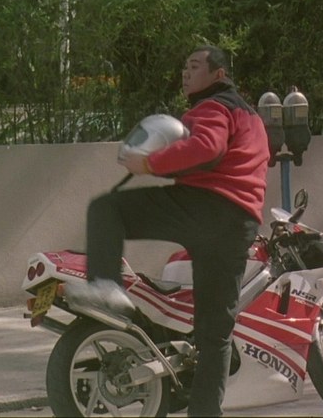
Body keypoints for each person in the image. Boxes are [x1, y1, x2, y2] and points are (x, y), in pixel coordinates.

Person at [65, 45, 270, 417]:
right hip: (238, 224)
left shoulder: (214, 106)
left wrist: (149, 164)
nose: (185, 73)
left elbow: (207, 149)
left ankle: (106, 286)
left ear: (219, 74)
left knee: (107, 209)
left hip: (205, 207)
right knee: (215, 334)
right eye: (184, 67)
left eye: (194, 66)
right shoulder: (252, 118)